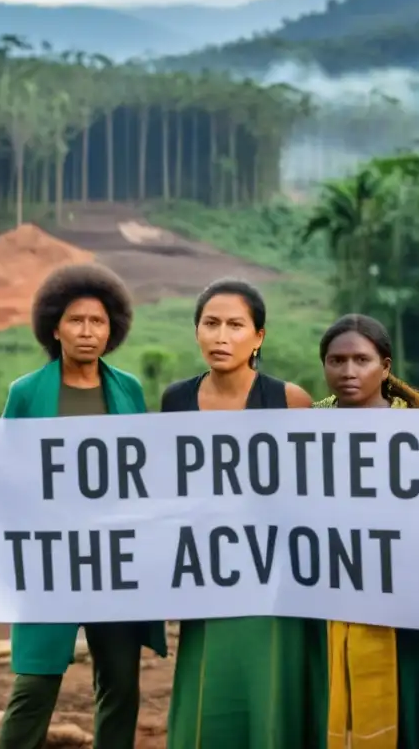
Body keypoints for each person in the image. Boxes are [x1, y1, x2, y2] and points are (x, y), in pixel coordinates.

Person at [0, 263, 168, 749]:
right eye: (76, 321)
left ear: (112, 327)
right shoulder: (27, 393)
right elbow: (7, 475)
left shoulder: (128, 390)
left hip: (116, 559)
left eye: (97, 322)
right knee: (35, 681)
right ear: (55, 327)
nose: (87, 332)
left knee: (119, 685)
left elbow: (145, 473)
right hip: (52, 559)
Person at [161, 278, 326, 749]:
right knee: (212, 688)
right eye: (210, 324)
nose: (221, 336)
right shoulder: (176, 400)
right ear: (196, 331)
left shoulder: (289, 400)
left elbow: (315, 492)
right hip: (208, 575)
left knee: (272, 685)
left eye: (236, 325)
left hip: (277, 579)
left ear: (259, 337)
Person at [313, 313, 419, 749]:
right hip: (337, 598)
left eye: (361, 360)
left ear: (385, 367)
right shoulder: (305, 429)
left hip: (416, 598)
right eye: (336, 361)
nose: (348, 371)